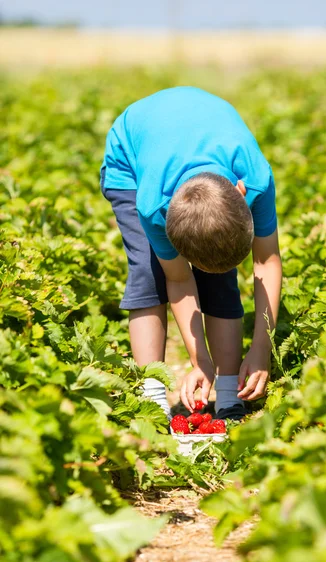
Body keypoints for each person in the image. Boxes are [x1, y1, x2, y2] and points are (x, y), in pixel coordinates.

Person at [100, 86, 282, 421]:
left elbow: (267, 260)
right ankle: (150, 396)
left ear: (242, 196)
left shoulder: (255, 179)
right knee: (147, 271)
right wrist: (200, 362)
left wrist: (261, 350)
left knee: (219, 278)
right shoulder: (153, 205)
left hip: (198, 131)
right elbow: (179, 277)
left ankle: (230, 392)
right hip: (131, 157)